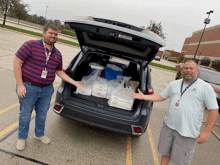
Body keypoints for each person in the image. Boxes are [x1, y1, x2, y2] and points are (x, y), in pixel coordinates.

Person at [132, 60, 219, 165]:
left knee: (181, 161)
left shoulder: (205, 88)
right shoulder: (174, 84)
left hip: (187, 133)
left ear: (197, 70)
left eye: (191, 68)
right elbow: (161, 96)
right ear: (182, 70)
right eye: (185, 68)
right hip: (169, 126)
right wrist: (144, 97)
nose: (188, 71)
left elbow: (214, 110)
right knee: (165, 153)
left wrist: (206, 132)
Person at [13, 23, 84, 151]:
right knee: (25, 114)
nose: (53, 36)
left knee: (42, 114)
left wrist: (74, 83)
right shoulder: (30, 45)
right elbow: (17, 62)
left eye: (55, 34)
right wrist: (20, 85)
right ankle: (22, 138)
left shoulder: (57, 54)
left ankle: (39, 134)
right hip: (29, 87)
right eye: (50, 33)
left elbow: (59, 71)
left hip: (46, 89)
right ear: (44, 33)